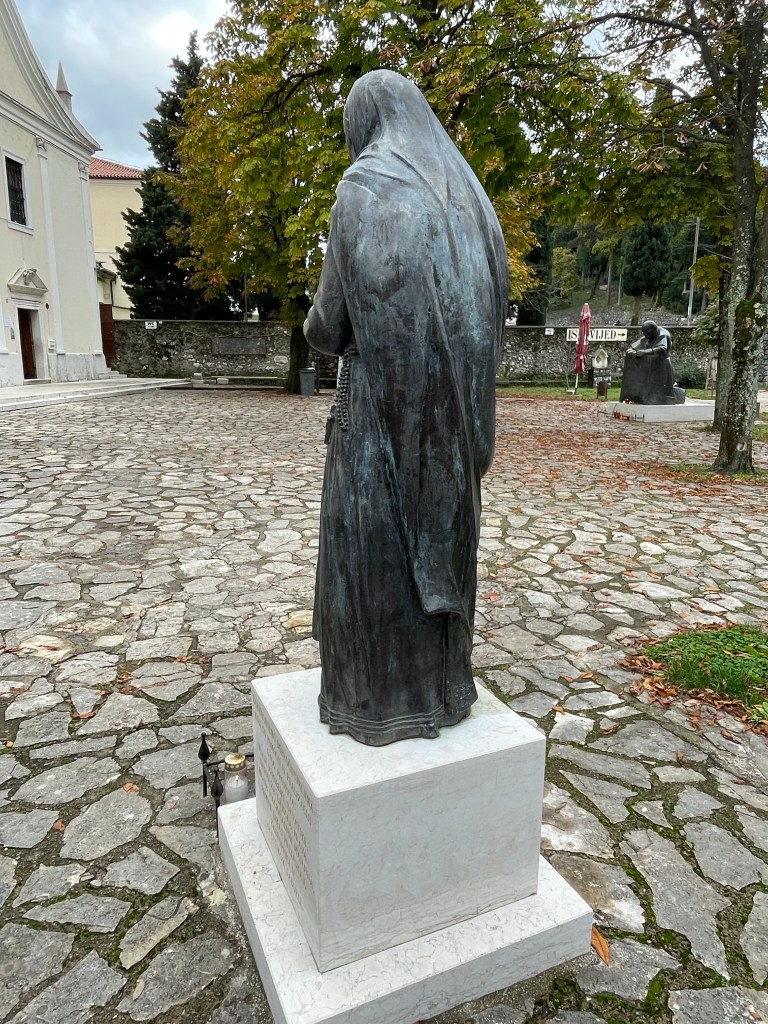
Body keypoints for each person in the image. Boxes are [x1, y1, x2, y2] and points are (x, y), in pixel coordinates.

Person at [304, 70, 508, 746]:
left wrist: (315, 319)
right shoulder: (474, 202)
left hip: (375, 420)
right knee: (436, 539)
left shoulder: (362, 187)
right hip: (451, 426)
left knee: (374, 555)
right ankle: (441, 694)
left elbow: (329, 326)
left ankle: (375, 705)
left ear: (363, 123)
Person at [619, 320, 676, 404]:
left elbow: (662, 349)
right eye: (644, 333)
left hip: (660, 363)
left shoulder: (662, 335)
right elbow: (641, 342)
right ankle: (633, 394)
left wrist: (644, 352)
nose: (645, 335)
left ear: (653, 330)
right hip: (649, 362)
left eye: (647, 333)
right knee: (631, 358)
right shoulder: (649, 335)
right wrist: (632, 349)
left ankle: (649, 397)